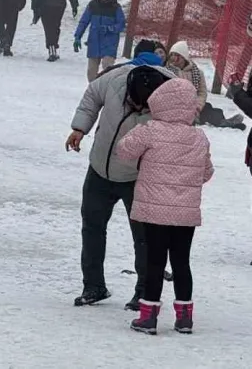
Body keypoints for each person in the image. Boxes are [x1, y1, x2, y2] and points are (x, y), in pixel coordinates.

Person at [66, 39, 174, 310]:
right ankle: (93, 286)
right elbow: (92, 96)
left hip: (140, 176)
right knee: (92, 227)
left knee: (144, 237)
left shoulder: (172, 91)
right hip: (100, 168)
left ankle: (143, 292)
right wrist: (80, 127)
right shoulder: (115, 78)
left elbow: (185, 123)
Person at [116, 79, 212, 335]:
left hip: (154, 212)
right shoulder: (199, 137)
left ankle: (148, 317)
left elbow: (123, 151)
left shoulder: (150, 130)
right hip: (185, 213)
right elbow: (206, 173)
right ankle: (184, 318)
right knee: (182, 262)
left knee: (155, 262)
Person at [73, 0, 126, 81]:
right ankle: (93, 91)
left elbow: (121, 25)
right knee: (91, 72)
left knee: (107, 68)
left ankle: (105, 90)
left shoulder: (116, 7)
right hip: (94, 41)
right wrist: (78, 36)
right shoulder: (92, 5)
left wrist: (110, 28)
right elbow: (84, 21)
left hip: (110, 43)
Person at [164, 41, 207, 114]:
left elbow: (202, 93)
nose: (173, 57)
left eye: (176, 55)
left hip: (192, 108)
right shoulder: (166, 71)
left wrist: (198, 106)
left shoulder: (197, 73)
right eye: (171, 55)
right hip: (171, 108)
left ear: (184, 57)